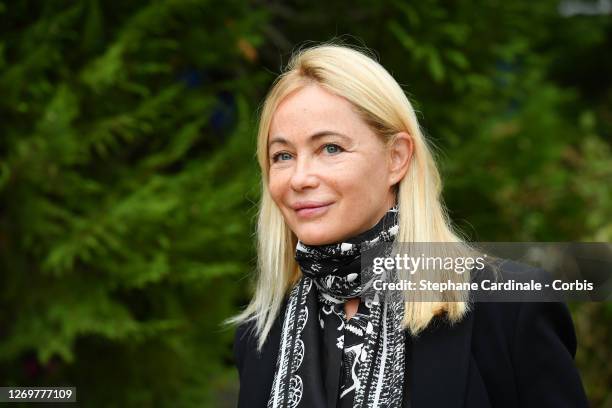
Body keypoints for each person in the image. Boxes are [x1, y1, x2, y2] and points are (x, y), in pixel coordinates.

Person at [225, 42, 589, 408]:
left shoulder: (511, 308)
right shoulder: (260, 335)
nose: (300, 177)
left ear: (396, 158)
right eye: (283, 156)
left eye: (330, 148)